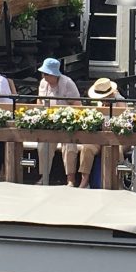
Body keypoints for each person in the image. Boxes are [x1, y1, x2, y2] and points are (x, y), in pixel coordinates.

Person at [34, 58, 84, 187]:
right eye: (43, 73)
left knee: (69, 146)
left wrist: (66, 117)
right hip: (49, 124)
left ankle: (71, 179)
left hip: (66, 125)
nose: (44, 76)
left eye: (47, 74)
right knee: (43, 145)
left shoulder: (68, 83)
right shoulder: (43, 83)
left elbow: (77, 105)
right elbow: (39, 102)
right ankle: (44, 177)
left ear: (54, 74)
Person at [82, 76, 124, 188]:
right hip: (100, 138)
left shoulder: (120, 101)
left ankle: (119, 182)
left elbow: (124, 119)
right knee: (87, 148)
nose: (102, 100)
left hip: (118, 138)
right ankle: (85, 180)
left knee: (118, 150)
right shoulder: (99, 104)